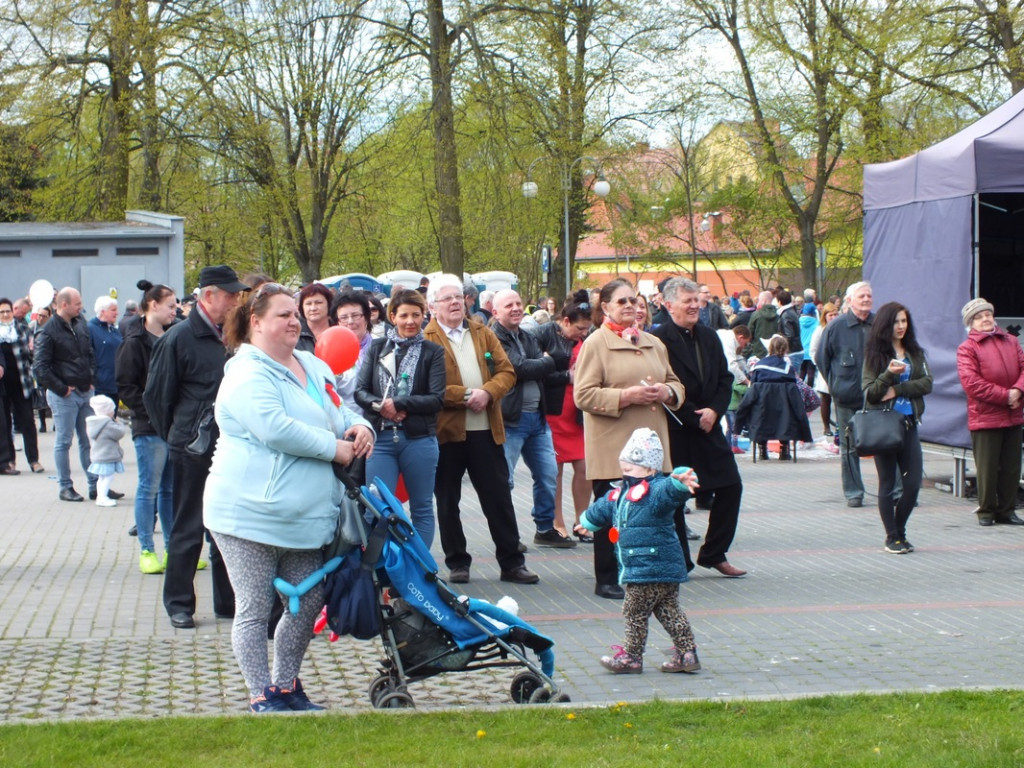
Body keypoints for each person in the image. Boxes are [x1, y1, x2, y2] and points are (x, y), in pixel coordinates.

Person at [205, 282, 374, 713]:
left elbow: (338, 408)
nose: (294, 320)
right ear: (256, 323)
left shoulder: (313, 366)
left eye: (296, 313)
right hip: (248, 513)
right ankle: (261, 694)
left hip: (307, 514)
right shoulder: (246, 373)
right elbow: (276, 428)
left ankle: (286, 686)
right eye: (283, 314)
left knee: (307, 602)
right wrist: (334, 447)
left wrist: (360, 427)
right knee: (255, 606)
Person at [145, 264, 248, 629]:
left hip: (232, 447)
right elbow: (156, 398)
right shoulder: (178, 338)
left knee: (228, 527)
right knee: (188, 527)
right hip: (192, 449)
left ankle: (228, 600)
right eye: (230, 294)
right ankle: (179, 604)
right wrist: (180, 436)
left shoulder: (238, 336)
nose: (237, 299)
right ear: (208, 296)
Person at [423, 274, 538, 585]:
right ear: (433, 306)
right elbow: (427, 387)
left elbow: (507, 371)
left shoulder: (481, 332)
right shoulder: (427, 339)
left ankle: (512, 562)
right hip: (447, 433)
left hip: (486, 429)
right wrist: (462, 396)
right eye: (447, 298)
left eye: (458, 297)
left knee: (498, 498)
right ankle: (457, 562)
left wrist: (488, 392)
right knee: (447, 501)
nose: (455, 302)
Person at [575, 278, 685, 599]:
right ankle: (606, 577)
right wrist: (626, 396)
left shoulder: (653, 342)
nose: (630, 307)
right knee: (613, 512)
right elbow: (583, 395)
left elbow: (675, 383)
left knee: (653, 512)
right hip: (615, 446)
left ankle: (650, 573)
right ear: (605, 307)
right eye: (621, 302)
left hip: (651, 448)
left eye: (633, 301)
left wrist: (668, 392)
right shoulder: (596, 343)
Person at [580, 428, 702, 674]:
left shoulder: (655, 490)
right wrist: (586, 522)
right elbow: (604, 505)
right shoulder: (622, 492)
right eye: (623, 469)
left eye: (631, 470)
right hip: (658, 567)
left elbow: (670, 491)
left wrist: (679, 480)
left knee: (633, 612)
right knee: (669, 611)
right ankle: (687, 654)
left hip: (649, 566)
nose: (626, 475)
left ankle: (631, 658)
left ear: (650, 469)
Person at [652, 278, 747, 577]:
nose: (695, 306)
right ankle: (680, 559)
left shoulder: (709, 336)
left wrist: (715, 410)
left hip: (708, 426)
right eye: (687, 301)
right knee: (676, 496)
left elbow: (724, 379)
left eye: (697, 300)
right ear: (669, 305)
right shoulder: (658, 340)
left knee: (731, 486)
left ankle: (714, 552)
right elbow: (663, 386)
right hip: (677, 429)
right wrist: (695, 414)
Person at [355, 289, 445, 546]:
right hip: (380, 440)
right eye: (404, 315)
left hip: (418, 439)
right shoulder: (376, 348)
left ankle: (419, 569)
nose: (410, 321)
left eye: (416, 315)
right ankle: (382, 574)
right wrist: (380, 406)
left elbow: (437, 398)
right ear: (392, 316)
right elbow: (360, 392)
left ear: (423, 316)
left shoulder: (433, 352)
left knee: (422, 507)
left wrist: (400, 403)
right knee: (377, 507)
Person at [491, 289, 576, 549]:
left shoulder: (527, 336)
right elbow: (519, 368)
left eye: (518, 303)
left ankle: (545, 527)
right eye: (509, 305)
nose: (516, 308)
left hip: (537, 420)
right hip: (510, 420)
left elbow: (536, 369)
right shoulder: (494, 338)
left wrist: (541, 363)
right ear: (495, 312)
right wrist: (546, 361)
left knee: (548, 474)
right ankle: (507, 538)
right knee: (505, 481)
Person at [116, 280, 178, 574]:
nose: (174, 311)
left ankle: (173, 549)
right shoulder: (134, 341)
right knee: (148, 489)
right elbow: (126, 387)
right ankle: (146, 549)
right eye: (170, 305)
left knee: (168, 490)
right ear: (153, 305)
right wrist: (150, 412)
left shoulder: (171, 335)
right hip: (148, 427)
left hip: (171, 426)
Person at [863, 302, 932, 553]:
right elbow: (870, 393)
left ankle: (900, 531)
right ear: (885, 325)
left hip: (909, 423)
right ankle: (892, 536)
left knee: (913, 484)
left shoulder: (914, 352)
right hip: (884, 425)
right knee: (887, 483)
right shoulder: (874, 355)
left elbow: (927, 383)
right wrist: (888, 375)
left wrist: (899, 388)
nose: (901, 326)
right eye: (896, 322)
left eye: (904, 321)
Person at [957, 298, 1024, 527]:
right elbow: (972, 383)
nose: (985, 319)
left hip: (1013, 414)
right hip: (986, 416)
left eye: (987, 314)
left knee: (1012, 466)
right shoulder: (967, 348)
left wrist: (1018, 390)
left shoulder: (1011, 341)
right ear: (971, 323)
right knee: (987, 467)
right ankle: (986, 510)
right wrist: (1005, 396)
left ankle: (1007, 510)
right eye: (978, 317)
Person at [533, 290, 594, 541]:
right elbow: (535, 370)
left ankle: (583, 520)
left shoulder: (586, 339)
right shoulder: (543, 333)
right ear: (565, 321)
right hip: (553, 411)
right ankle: (557, 522)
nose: (584, 333)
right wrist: (565, 376)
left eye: (587, 329)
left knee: (584, 467)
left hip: (578, 412)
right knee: (554, 471)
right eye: (580, 328)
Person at [33, 287, 98, 501]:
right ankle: (65, 486)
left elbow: (88, 352)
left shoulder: (80, 323)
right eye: (77, 304)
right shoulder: (48, 331)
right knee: (64, 441)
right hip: (64, 395)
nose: (81, 307)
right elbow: (40, 368)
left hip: (84, 390)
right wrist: (62, 388)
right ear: (64, 305)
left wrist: (90, 378)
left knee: (87, 440)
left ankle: (96, 484)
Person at [814, 281, 874, 507]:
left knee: (883, 444)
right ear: (849, 301)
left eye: (869, 295)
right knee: (848, 448)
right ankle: (853, 493)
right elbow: (822, 359)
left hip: (875, 397)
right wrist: (836, 384)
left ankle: (893, 490)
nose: (867, 299)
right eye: (862, 296)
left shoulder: (878, 324)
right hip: (846, 396)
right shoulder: (835, 327)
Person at [736, 335, 812, 461]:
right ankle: (784, 449)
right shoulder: (788, 369)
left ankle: (762, 449)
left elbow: (752, 387)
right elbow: (794, 393)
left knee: (757, 412)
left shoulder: (759, 367)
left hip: (761, 411)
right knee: (788, 413)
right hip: (783, 412)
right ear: (785, 349)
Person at [0, 297, 42, 473]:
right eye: (1, 312)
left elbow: (34, 355)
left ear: (13, 311)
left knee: (27, 422)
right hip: (3, 386)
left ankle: (34, 460)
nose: (5, 315)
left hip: (21, 382)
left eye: (7, 311)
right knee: (5, 424)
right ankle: (10, 461)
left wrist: (32, 351)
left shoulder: (22, 329)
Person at [330, 291, 374, 414]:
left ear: (366, 317)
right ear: (337, 322)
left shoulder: (382, 347)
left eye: (355, 315)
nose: (350, 321)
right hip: (346, 419)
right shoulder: (331, 352)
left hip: (379, 420)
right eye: (344, 317)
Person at [85, 395, 126, 508]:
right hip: (107, 456)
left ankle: (100, 496)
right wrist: (119, 423)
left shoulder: (93, 423)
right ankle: (102, 497)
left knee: (101, 478)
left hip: (98, 456)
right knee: (107, 477)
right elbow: (119, 433)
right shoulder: (107, 424)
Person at [809, 302, 839, 437]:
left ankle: (840, 425)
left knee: (839, 399)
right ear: (825, 316)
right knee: (826, 399)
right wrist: (820, 364)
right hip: (825, 369)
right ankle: (826, 427)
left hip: (839, 369)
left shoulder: (841, 328)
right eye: (830, 315)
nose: (833, 317)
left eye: (835, 314)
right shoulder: (820, 330)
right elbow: (813, 350)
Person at [88, 296, 122, 402]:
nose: (117, 313)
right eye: (113, 310)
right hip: (100, 387)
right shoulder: (90, 329)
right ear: (103, 312)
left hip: (115, 385)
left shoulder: (114, 330)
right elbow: (87, 356)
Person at [295, 283, 334, 353]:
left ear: (329, 304)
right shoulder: (294, 333)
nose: (313, 308)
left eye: (318, 303)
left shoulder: (340, 328)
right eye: (308, 304)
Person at [746, 290, 778, 359]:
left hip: (758, 353)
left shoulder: (756, 315)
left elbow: (749, 334)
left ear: (763, 300)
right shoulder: (779, 315)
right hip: (775, 352)